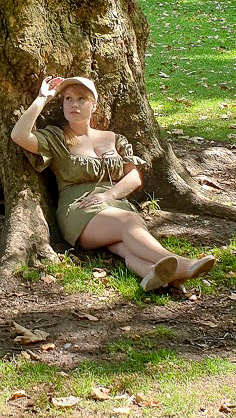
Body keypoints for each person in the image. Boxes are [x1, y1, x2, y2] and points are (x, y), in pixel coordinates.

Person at [11, 76, 215, 291]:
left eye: (82, 99)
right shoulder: (56, 137)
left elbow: (134, 177)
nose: (74, 105)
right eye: (68, 99)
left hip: (114, 203)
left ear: (94, 105)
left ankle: (153, 275)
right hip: (81, 209)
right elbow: (19, 135)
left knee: (123, 246)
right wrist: (43, 98)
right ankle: (182, 265)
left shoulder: (112, 138)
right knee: (127, 221)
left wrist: (109, 195)